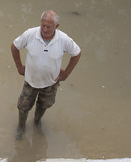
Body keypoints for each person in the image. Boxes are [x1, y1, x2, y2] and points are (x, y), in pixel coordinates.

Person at [11, 10, 81, 138]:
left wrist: (66, 73)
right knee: (23, 106)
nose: (45, 29)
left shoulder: (63, 39)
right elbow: (15, 46)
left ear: (56, 26)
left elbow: (76, 53)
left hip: (51, 81)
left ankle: (37, 122)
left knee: (45, 104)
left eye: (49, 26)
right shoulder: (30, 34)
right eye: (43, 25)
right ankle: (21, 127)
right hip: (31, 80)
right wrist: (19, 67)